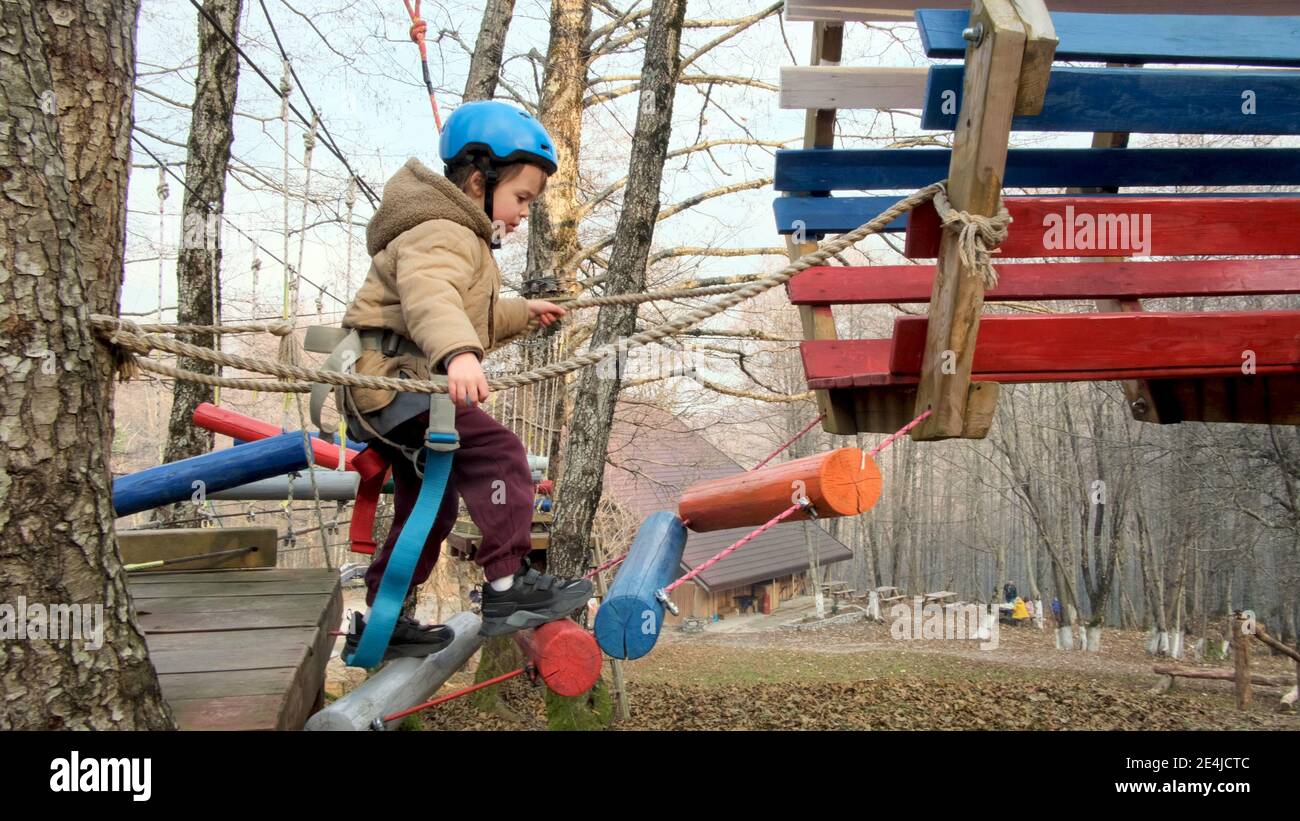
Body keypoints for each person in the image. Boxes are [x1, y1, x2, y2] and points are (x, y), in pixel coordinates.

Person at [338, 101, 593, 660]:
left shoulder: (453, 233)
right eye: (521, 197)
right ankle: (508, 586)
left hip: (391, 387)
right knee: (501, 454)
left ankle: (384, 619)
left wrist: (521, 314)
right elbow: (432, 298)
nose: (524, 212)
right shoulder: (442, 229)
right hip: (399, 384)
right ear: (480, 180)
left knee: (431, 506)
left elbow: (463, 310)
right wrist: (457, 354)